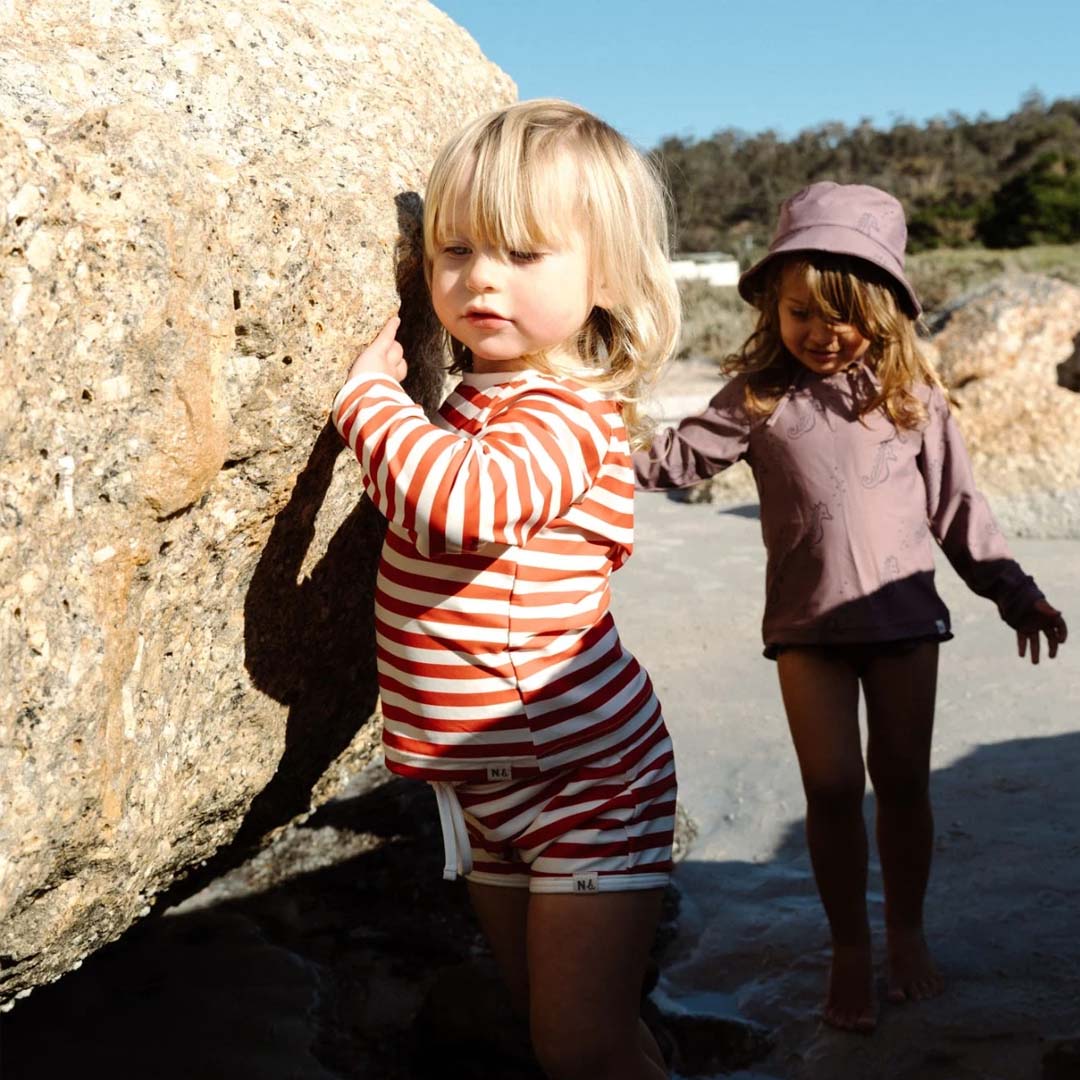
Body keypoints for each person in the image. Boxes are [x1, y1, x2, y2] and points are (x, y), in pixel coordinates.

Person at [634, 181, 1068, 1033]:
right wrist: (568, 461)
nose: (821, 333)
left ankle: (903, 932)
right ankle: (847, 946)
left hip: (905, 627)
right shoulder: (758, 396)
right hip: (807, 630)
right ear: (774, 308)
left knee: (902, 782)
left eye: (843, 315)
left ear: (884, 312)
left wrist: (1017, 596)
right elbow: (675, 460)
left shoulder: (912, 399)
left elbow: (957, 511)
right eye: (800, 312)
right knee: (831, 787)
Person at [332, 100, 681, 1079]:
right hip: (487, 785)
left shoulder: (568, 413)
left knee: (581, 1043)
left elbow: (466, 507)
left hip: (587, 782)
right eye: (455, 249)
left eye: (525, 255)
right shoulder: (477, 396)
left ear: (604, 274)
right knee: (564, 1031)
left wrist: (369, 401)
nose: (481, 276)